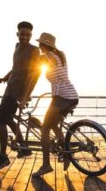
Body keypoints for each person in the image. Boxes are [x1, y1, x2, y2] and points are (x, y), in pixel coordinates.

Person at [0, 21, 41, 171]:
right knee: (8, 118)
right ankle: (24, 147)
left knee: (0, 121)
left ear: (31, 35)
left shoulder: (34, 50)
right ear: (17, 34)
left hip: (17, 92)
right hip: (10, 88)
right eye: (22, 34)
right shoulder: (17, 47)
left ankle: (3, 157)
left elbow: (34, 74)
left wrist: (26, 96)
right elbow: (16, 67)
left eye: (28, 34)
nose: (25, 37)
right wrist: (6, 77)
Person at [31, 32, 78, 176]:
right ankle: (66, 153)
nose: (38, 47)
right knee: (53, 124)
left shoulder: (48, 56)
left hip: (61, 97)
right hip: (71, 95)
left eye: (39, 44)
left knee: (45, 128)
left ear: (42, 45)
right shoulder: (60, 55)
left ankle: (46, 165)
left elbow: (34, 64)